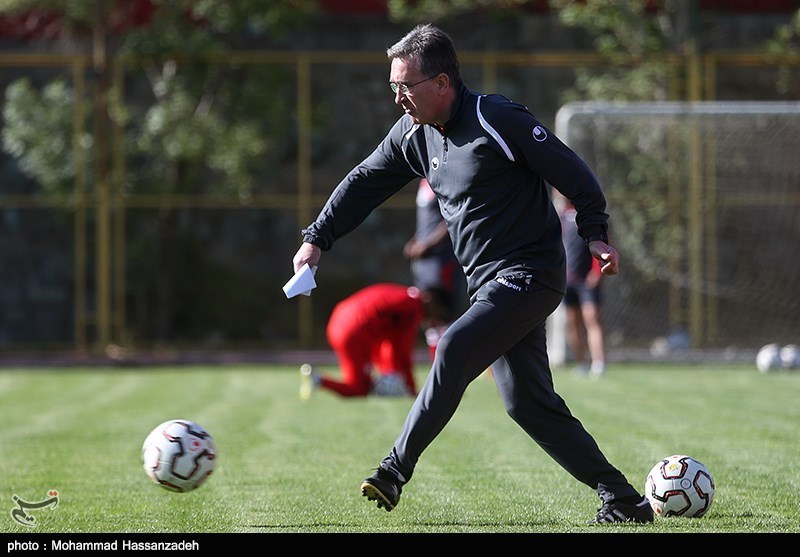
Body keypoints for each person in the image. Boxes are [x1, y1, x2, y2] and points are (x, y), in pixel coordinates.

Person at [291, 23, 653, 524]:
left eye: (405, 86)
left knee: (455, 346)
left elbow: (572, 172)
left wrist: (595, 234)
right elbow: (364, 182)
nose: (397, 98)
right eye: (393, 86)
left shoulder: (496, 117)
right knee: (527, 404)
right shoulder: (413, 135)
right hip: (487, 287)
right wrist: (317, 237)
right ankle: (625, 500)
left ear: (442, 82)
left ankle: (394, 469)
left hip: (531, 273)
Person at [299, 283, 453, 399]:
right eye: (439, 312)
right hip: (354, 331)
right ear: (430, 299)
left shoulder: (405, 296)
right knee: (359, 389)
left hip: (339, 322)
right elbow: (402, 353)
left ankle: (321, 380)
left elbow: (387, 343)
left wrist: (388, 371)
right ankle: (319, 380)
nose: (437, 319)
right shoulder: (413, 307)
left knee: (367, 382)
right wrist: (411, 390)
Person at [403, 178, 464, 358]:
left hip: (441, 260)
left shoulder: (446, 179)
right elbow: (427, 223)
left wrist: (427, 245)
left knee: (445, 312)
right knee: (426, 312)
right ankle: (436, 362)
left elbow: (453, 217)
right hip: (423, 263)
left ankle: (454, 360)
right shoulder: (425, 182)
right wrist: (415, 241)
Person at [555, 191, 607, 377]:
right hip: (568, 280)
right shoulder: (559, 217)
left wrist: (596, 272)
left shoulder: (586, 216)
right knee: (572, 322)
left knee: (592, 319)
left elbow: (601, 240)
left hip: (586, 280)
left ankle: (598, 363)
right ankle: (582, 363)